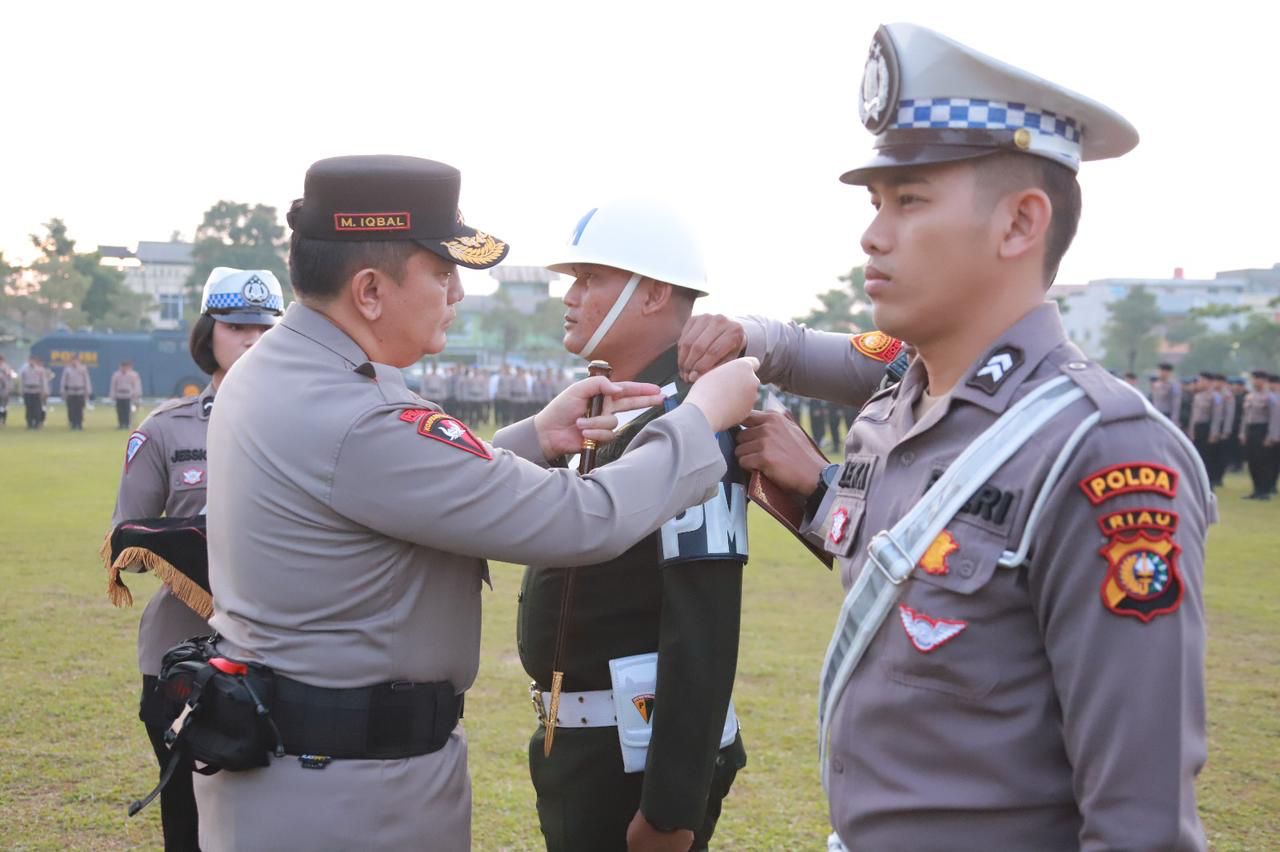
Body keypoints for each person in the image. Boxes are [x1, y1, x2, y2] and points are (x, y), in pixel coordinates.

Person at [678, 23, 1212, 850]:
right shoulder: (902, 401)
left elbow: (1140, 823)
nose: (873, 235)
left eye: (911, 200)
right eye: (876, 204)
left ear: (1019, 224)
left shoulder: (1100, 453)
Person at [193, 155, 759, 852]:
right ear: (369, 290)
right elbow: (582, 517)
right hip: (349, 794)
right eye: (440, 271)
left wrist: (529, 439)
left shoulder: (276, 371)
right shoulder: (360, 416)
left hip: (306, 771)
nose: (456, 293)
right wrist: (699, 421)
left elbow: (395, 491)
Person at [518, 200, 856, 852]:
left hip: (635, 758)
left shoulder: (697, 424)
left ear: (653, 294)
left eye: (590, 278)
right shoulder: (627, 410)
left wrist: (674, 807)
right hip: (588, 748)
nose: (571, 296)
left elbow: (702, 630)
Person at [110, 266, 284, 851]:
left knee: (280, 816)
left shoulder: (309, 426)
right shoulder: (166, 431)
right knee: (187, 817)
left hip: (287, 653)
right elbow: (125, 541)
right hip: (186, 656)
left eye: (267, 327)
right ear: (207, 333)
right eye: (237, 326)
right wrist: (197, 537)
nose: (254, 340)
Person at [1240, 370, 1273, 500]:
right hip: (1251, 430)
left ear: (1264, 381)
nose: (1255, 382)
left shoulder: (1270, 397)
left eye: (1258, 379)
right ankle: (1256, 489)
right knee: (1252, 461)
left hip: (1263, 430)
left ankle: (1264, 490)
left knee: (1263, 461)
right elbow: (1245, 416)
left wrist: (1271, 436)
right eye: (1254, 379)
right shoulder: (1250, 396)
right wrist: (1243, 432)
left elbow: (1274, 418)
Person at [60, 356, 93, 430]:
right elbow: (63, 381)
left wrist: (88, 391)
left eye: (76, 361)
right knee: (71, 409)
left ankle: (79, 423)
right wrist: (63, 391)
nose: (74, 362)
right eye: (73, 361)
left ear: (78, 361)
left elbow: (86, 381)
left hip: (80, 391)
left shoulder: (83, 369)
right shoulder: (67, 370)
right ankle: (73, 423)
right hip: (71, 392)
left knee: (79, 409)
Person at [19, 354, 51, 429]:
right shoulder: (24, 370)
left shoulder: (40, 370)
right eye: (30, 360)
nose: (31, 362)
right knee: (28, 408)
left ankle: (37, 423)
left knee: (37, 408)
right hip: (27, 390)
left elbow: (43, 381)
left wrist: (45, 391)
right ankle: (29, 423)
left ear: (35, 361)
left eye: (32, 360)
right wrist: (21, 390)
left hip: (37, 390)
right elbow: (22, 381)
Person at [111, 360, 143, 429]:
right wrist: (112, 394)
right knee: (120, 410)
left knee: (127, 410)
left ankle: (127, 424)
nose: (124, 368)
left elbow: (136, 385)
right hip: (119, 394)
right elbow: (113, 385)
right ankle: (121, 424)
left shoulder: (133, 375)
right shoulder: (116, 375)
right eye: (122, 366)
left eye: (125, 366)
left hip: (128, 395)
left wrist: (136, 394)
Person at [1150, 361, 1182, 426]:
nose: (1163, 373)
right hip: (1156, 414)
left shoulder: (1174, 385)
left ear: (1169, 373)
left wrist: (1174, 421)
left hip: (1167, 415)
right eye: (1161, 371)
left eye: (1165, 371)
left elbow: (1176, 404)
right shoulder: (1156, 384)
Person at [0, 354, 15, 425]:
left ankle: (3, 419)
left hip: (4, 389)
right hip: (3, 389)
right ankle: (2, 419)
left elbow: (10, 376)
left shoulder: (6, 367)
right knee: (3, 405)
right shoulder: (6, 367)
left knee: (3, 405)